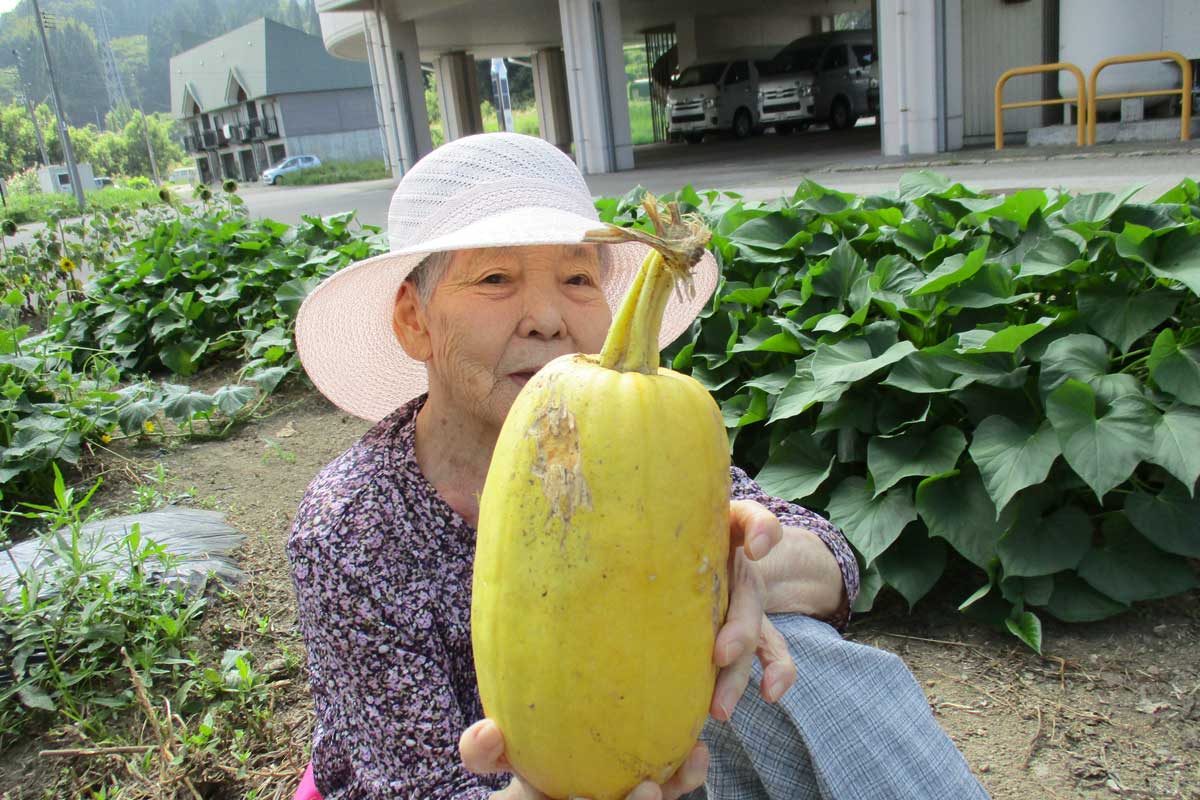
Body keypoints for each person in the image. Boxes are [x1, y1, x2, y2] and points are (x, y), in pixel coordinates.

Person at [287, 132, 989, 800]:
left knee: (795, 658)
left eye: (577, 278)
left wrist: (731, 575)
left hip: (646, 771)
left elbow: (833, 559)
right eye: (496, 278)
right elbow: (412, 784)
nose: (547, 318)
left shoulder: (631, 437)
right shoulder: (352, 527)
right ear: (414, 319)